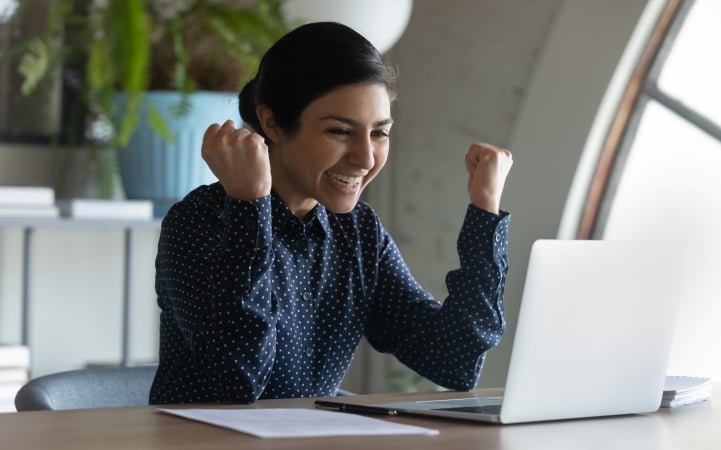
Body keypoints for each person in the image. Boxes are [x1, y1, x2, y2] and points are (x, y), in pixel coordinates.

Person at [149, 21, 513, 405]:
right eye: (340, 131)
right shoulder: (198, 221)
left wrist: (484, 208)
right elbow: (234, 384)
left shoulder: (357, 231)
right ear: (272, 123)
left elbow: (453, 361)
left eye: (379, 133)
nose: (365, 158)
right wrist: (249, 208)